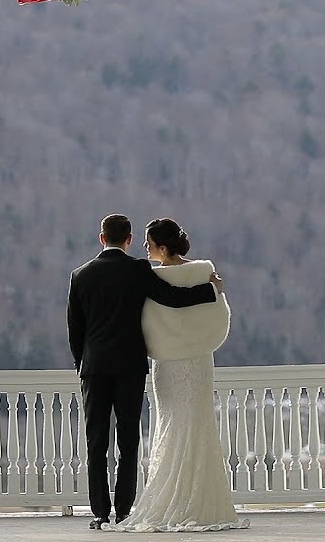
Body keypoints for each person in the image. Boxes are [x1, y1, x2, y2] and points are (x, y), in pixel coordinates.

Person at [68, 214, 224, 531]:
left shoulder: (80, 275)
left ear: (102, 238)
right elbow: (171, 298)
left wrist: (82, 365)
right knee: (129, 441)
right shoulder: (137, 269)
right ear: (128, 240)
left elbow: (75, 331)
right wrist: (209, 290)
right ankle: (124, 510)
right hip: (129, 366)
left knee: (96, 442)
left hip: (94, 369)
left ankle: (99, 512)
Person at [110, 218, 249, 532]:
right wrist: (213, 289)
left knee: (172, 424)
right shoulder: (203, 272)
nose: (145, 249)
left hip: (168, 362)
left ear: (162, 247)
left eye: (148, 244)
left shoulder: (151, 275)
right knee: (198, 424)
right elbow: (217, 318)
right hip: (198, 361)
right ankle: (200, 501)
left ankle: (177, 499)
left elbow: (152, 312)